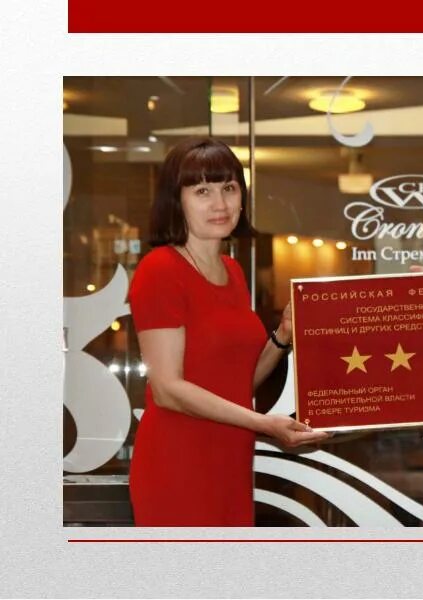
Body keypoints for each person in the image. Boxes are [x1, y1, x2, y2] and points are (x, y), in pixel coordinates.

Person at [128, 137, 328, 526]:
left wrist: (283, 336)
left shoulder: (232, 271)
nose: (220, 203)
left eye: (229, 188)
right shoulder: (160, 270)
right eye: (202, 191)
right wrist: (265, 424)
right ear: (176, 201)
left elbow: (236, 383)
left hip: (231, 459)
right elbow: (168, 390)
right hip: (178, 463)